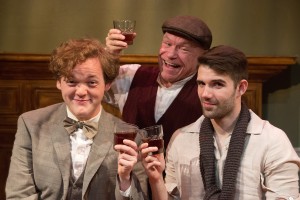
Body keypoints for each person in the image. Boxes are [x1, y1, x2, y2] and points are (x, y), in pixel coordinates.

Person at [141, 45, 300, 199]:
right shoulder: (181, 139)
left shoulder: (273, 141)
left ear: (241, 88)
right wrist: (156, 180)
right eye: (201, 84)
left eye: (217, 84)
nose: (205, 94)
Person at [5, 38, 148, 199]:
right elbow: (19, 194)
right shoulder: (31, 124)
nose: (81, 91)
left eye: (91, 82)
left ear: (107, 84)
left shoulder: (131, 136)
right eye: (72, 81)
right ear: (59, 82)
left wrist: (125, 180)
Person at [105, 15, 212, 148]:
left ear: (202, 57)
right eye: (167, 44)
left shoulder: (208, 93)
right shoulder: (132, 76)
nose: (171, 54)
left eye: (184, 49)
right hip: (128, 168)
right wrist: (109, 55)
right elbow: (91, 88)